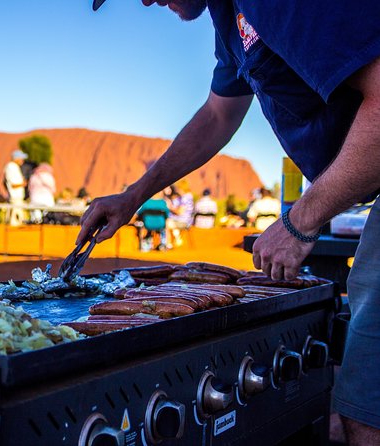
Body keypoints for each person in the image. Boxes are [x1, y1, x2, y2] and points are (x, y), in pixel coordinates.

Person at [85, 1, 380, 442]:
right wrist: (133, 197)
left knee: (366, 404)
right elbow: (217, 115)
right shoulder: (230, 21)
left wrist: (300, 220)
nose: (144, 1)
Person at [3, 150, 28, 226]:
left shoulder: (15, 167)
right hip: (15, 199)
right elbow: (13, 185)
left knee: (18, 220)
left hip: (18, 198)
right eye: (21, 158)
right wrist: (22, 184)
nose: (22, 160)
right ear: (16, 158)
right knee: (15, 222)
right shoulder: (11, 167)